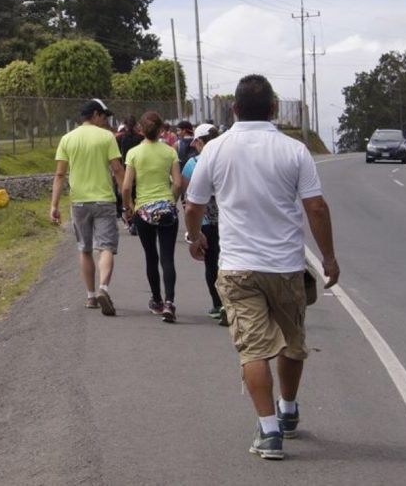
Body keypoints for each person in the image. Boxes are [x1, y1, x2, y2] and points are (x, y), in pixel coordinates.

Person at [184, 74, 339, 461]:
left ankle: (269, 432)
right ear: (273, 109)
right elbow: (316, 207)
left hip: (237, 268)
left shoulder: (214, 150)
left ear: (233, 109)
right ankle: (288, 410)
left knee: (253, 350)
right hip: (286, 267)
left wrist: (194, 238)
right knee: (291, 341)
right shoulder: (295, 150)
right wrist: (330, 258)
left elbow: (193, 205)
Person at [51, 98, 125, 316]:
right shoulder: (106, 137)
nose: (105, 120)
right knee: (106, 247)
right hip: (104, 200)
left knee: (84, 249)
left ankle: (91, 296)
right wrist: (127, 200)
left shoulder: (67, 139)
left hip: (79, 201)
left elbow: (60, 174)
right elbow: (118, 170)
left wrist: (54, 205)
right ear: (95, 114)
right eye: (104, 116)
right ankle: (104, 288)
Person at [121, 111, 182, 321]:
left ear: (141, 129)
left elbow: (127, 186)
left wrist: (129, 207)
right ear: (161, 129)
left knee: (151, 257)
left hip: (144, 210)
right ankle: (170, 302)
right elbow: (178, 183)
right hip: (167, 208)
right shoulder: (170, 152)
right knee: (167, 257)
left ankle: (156, 300)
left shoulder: (134, 153)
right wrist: (171, 201)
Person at [181, 123, 226, 325]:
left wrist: (192, 232)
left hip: (205, 221)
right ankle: (230, 303)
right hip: (229, 220)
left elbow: (186, 194)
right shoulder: (228, 158)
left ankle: (217, 304)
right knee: (229, 262)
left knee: (211, 262)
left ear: (199, 142)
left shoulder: (193, 163)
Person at [115, 115, 144, 234]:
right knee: (137, 196)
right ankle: (138, 220)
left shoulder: (120, 138)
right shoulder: (141, 138)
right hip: (139, 169)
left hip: (125, 168)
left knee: (127, 195)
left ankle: (130, 221)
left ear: (125, 125)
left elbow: (117, 155)